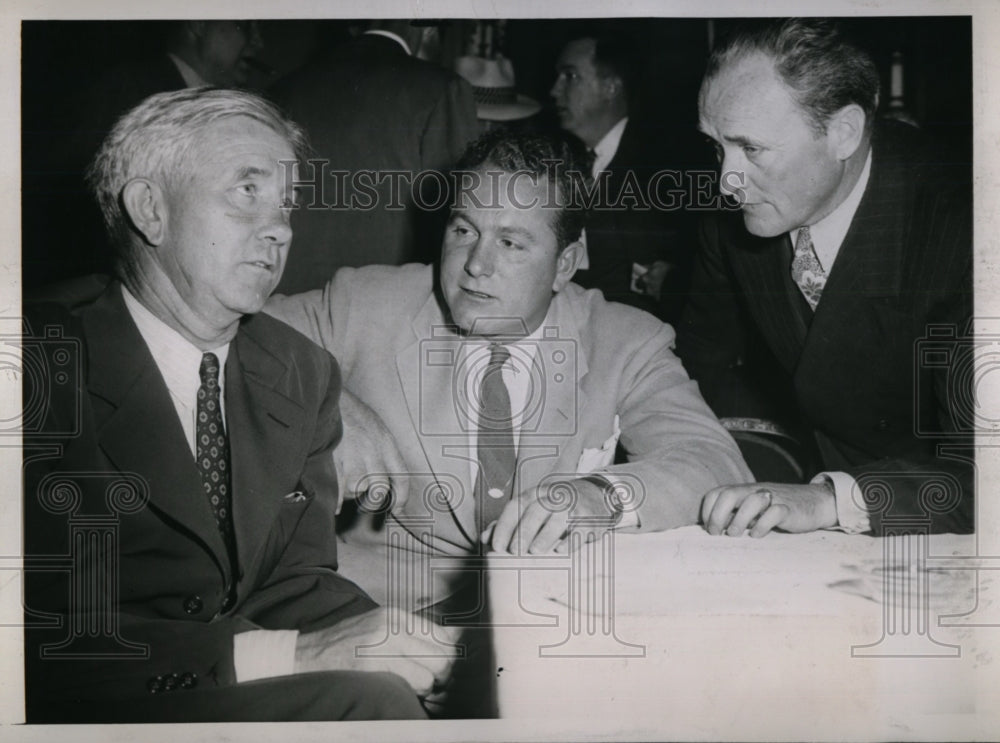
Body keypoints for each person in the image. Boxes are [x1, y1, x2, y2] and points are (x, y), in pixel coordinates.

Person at [21, 88, 457, 723]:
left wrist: (407, 648)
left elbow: (293, 583)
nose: (280, 226)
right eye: (246, 192)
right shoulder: (34, 365)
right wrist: (292, 657)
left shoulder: (301, 373)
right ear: (150, 209)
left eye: (286, 204)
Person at [265, 129, 752, 614]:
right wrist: (332, 402)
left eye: (511, 243)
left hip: (547, 625)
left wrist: (598, 497)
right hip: (373, 616)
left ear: (565, 265)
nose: (476, 264)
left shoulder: (624, 341)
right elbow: (227, 326)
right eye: (463, 230)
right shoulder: (365, 303)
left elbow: (712, 462)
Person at [677, 19, 974, 537]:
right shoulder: (738, 215)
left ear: (844, 133)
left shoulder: (967, 233)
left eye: (751, 148)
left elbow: (987, 474)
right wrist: (764, 458)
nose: (726, 181)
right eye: (717, 146)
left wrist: (830, 499)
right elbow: (704, 364)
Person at [271, 20, 479, 293]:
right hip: (384, 310)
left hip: (282, 308)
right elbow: (461, 221)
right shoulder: (442, 89)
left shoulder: (282, 88)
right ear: (424, 27)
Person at [549, 33, 691, 321]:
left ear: (610, 87)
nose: (554, 90)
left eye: (570, 76)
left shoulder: (666, 165)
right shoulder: (561, 161)